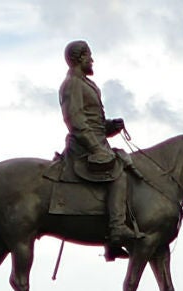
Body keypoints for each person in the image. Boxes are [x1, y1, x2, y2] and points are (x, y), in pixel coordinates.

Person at [59, 40, 141, 256]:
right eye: (89, 56)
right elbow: (75, 120)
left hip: (96, 141)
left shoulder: (87, 84)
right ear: (79, 58)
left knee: (127, 164)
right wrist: (96, 147)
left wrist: (109, 127)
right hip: (83, 147)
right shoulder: (72, 84)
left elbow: (93, 122)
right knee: (118, 173)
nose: (92, 60)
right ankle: (117, 230)